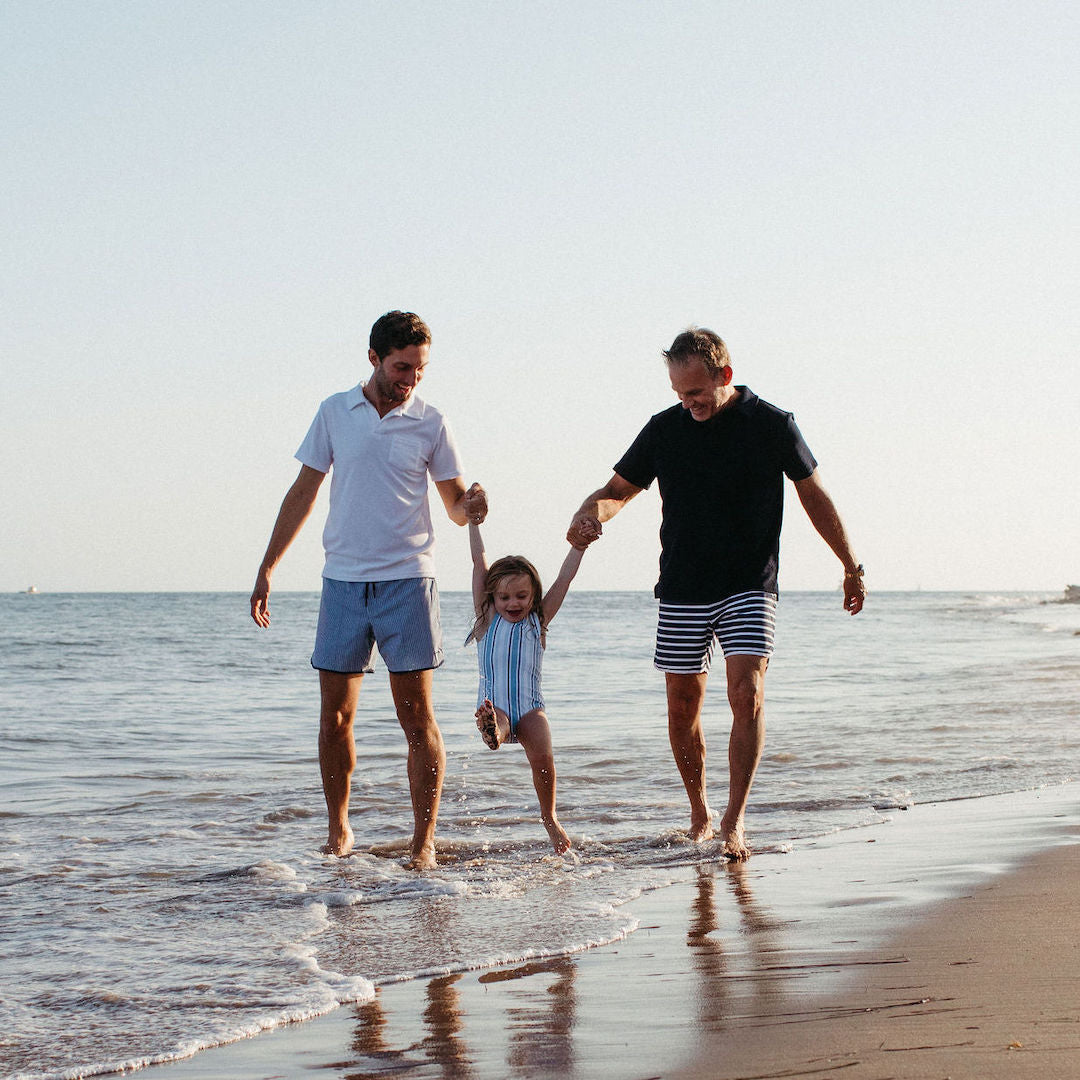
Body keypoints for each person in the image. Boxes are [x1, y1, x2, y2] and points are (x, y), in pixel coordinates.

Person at [567, 327, 865, 861]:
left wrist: (849, 565)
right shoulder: (664, 430)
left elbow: (814, 496)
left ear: (724, 376)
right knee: (683, 707)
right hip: (682, 585)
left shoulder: (772, 424)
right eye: (680, 394)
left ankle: (734, 820)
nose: (690, 403)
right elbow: (618, 491)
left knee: (746, 693)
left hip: (750, 583)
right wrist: (591, 512)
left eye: (698, 392)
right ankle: (700, 811)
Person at [250, 310, 487, 869]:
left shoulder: (432, 422)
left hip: (409, 579)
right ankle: (339, 832)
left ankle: (422, 842)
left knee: (417, 719)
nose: (411, 379)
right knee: (335, 717)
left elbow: (453, 504)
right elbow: (304, 491)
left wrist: (469, 507)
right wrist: (268, 568)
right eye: (403, 367)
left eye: (420, 369)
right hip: (343, 583)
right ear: (375, 358)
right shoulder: (336, 411)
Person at [466, 516, 595, 854]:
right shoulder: (486, 621)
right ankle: (491, 730)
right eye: (505, 597)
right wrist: (472, 523)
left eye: (521, 596)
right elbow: (479, 565)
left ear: (533, 595)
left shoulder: (539, 621)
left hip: (531, 708)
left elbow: (564, 581)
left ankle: (549, 817)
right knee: (502, 725)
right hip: (500, 707)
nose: (513, 603)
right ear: (492, 598)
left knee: (544, 759)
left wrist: (578, 547)